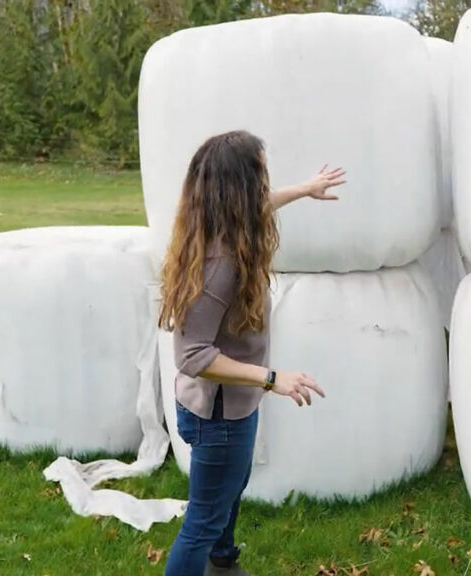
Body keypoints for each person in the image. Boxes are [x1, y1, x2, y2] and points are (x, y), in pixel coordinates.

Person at [158, 130, 346, 576]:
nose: (266, 185)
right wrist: (272, 378)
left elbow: (262, 205)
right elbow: (193, 355)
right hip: (218, 415)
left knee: (230, 488)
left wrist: (304, 189)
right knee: (203, 520)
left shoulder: (218, 224)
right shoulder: (220, 266)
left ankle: (223, 564)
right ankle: (216, 556)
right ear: (240, 188)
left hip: (225, 409)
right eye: (261, 176)